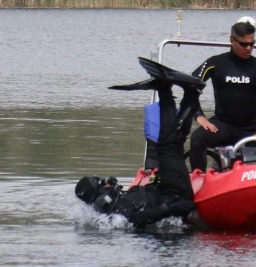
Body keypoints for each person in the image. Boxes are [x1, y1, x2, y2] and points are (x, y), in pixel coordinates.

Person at [75, 58, 206, 229]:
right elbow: (139, 218)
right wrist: (172, 208)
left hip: (167, 190)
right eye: (101, 182)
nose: (106, 181)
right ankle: (165, 88)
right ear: (98, 194)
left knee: (174, 142)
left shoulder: (112, 203)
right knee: (167, 146)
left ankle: (191, 94)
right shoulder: (116, 208)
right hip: (175, 196)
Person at [189, 17, 256, 172]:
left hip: (252, 129)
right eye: (243, 44)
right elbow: (190, 85)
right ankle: (198, 180)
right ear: (232, 40)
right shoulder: (216, 63)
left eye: (252, 44)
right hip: (223, 126)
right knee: (197, 138)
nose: (248, 48)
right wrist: (198, 115)